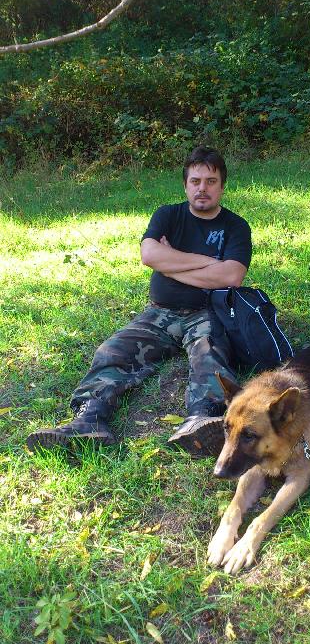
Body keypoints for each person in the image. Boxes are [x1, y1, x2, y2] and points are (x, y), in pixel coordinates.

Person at [27, 146, 252, 457]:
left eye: (211, 181)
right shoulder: (168, 215)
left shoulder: (235, 226)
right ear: (185, 185)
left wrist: (170, 262)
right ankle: (89, 420)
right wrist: (208, 263)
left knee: (210, 356)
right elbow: (149, 255)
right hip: (158, 314)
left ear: (222, 186)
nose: (203, 188)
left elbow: (231, 276)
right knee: (111, 351)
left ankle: (203, 420)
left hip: (207, 312)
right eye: (196, 181)